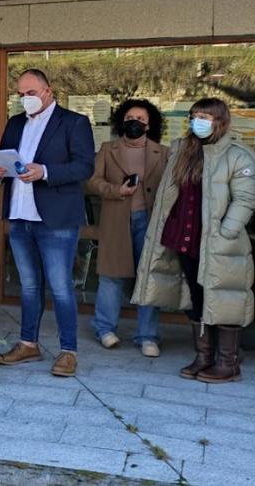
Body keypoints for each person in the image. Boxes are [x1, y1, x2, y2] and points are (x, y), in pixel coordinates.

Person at [134, 98, 255, 384]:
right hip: (186, 237)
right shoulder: (183, 151)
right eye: (195, 115)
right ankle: (203, 356)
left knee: (223, 297)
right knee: (197, 297)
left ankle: (228, 363)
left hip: (219, 241)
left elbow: (246, 199)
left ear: (220, 120)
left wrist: (226, 231)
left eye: (206, 116)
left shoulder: (237, 155)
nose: (198, 120)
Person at [0, 69, 95, 378]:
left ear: (48, 91)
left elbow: (84, 167)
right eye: (20, 95)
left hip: (56, 218)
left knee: (61, 287)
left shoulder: (74, 122)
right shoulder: (15, 123)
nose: (25, 100)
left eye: (31, 93)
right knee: (29, 285)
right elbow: (8, 163)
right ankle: (28, 343)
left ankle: (68, 351)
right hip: (20, 216)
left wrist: (45, 172)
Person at [86, 99, 168, 357]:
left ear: (149, 124)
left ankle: (147, 335)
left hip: (150, 220)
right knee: (112, 276)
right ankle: (104, 328)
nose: (135, 122)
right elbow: (91, 182)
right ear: (122, 120)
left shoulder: (163, 152)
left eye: (141, 119)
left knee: (148, 276)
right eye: (130, 117)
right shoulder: (108, 149)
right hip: (116, 219)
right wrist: (115, 190)